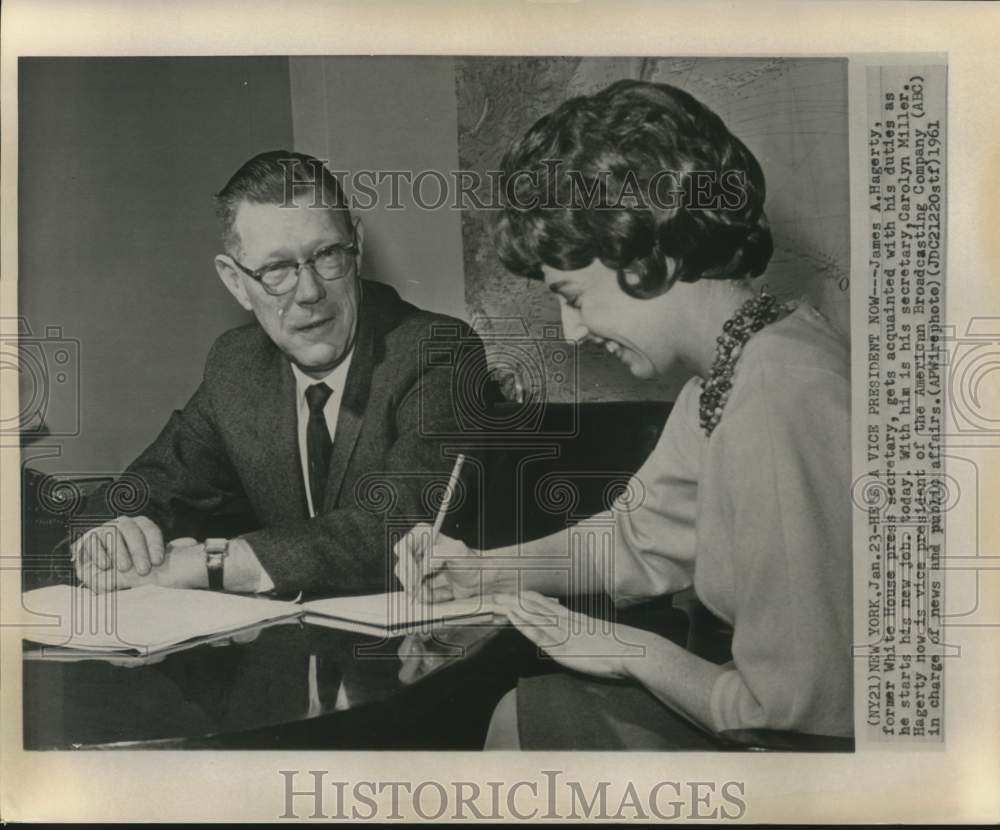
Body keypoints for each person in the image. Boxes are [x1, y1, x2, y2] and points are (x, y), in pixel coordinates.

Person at [395, 80, 853, 749]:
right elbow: (636, 542)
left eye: (574, 295)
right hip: (768, 715)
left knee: (520, 725)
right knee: (519, 716)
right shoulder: (740, 367)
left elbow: (787, 721)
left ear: (647, 252)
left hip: (807, 763)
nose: (573, 331)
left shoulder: (779, 396)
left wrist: (626, 651)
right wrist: (476, 569)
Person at [73, 150, 484, 597]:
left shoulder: (437, 351)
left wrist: (209, 564)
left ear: (357, 248)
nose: (309, 292)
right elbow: (144, 488)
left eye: (327, 255)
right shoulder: (237, 366)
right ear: (236, 283)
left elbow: (404, 528)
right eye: (276, 269)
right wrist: (110, 536)